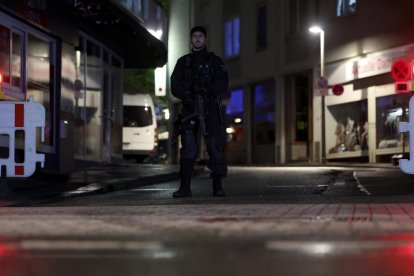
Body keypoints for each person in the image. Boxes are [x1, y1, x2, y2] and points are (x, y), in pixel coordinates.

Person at [170, 25, 228, 198]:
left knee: (215, 148)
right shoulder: (184, 61)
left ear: (205, 39)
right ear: (191, 39)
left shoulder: (215, 61)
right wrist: (186, 95)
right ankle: (185, 186)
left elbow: (223, 83)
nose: (197, 38)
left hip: (209, 109)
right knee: (188, 148)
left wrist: (209, 91)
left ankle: (217, 186)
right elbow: (175, 84)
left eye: (200, 36)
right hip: (189, 109)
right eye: (194, 36)